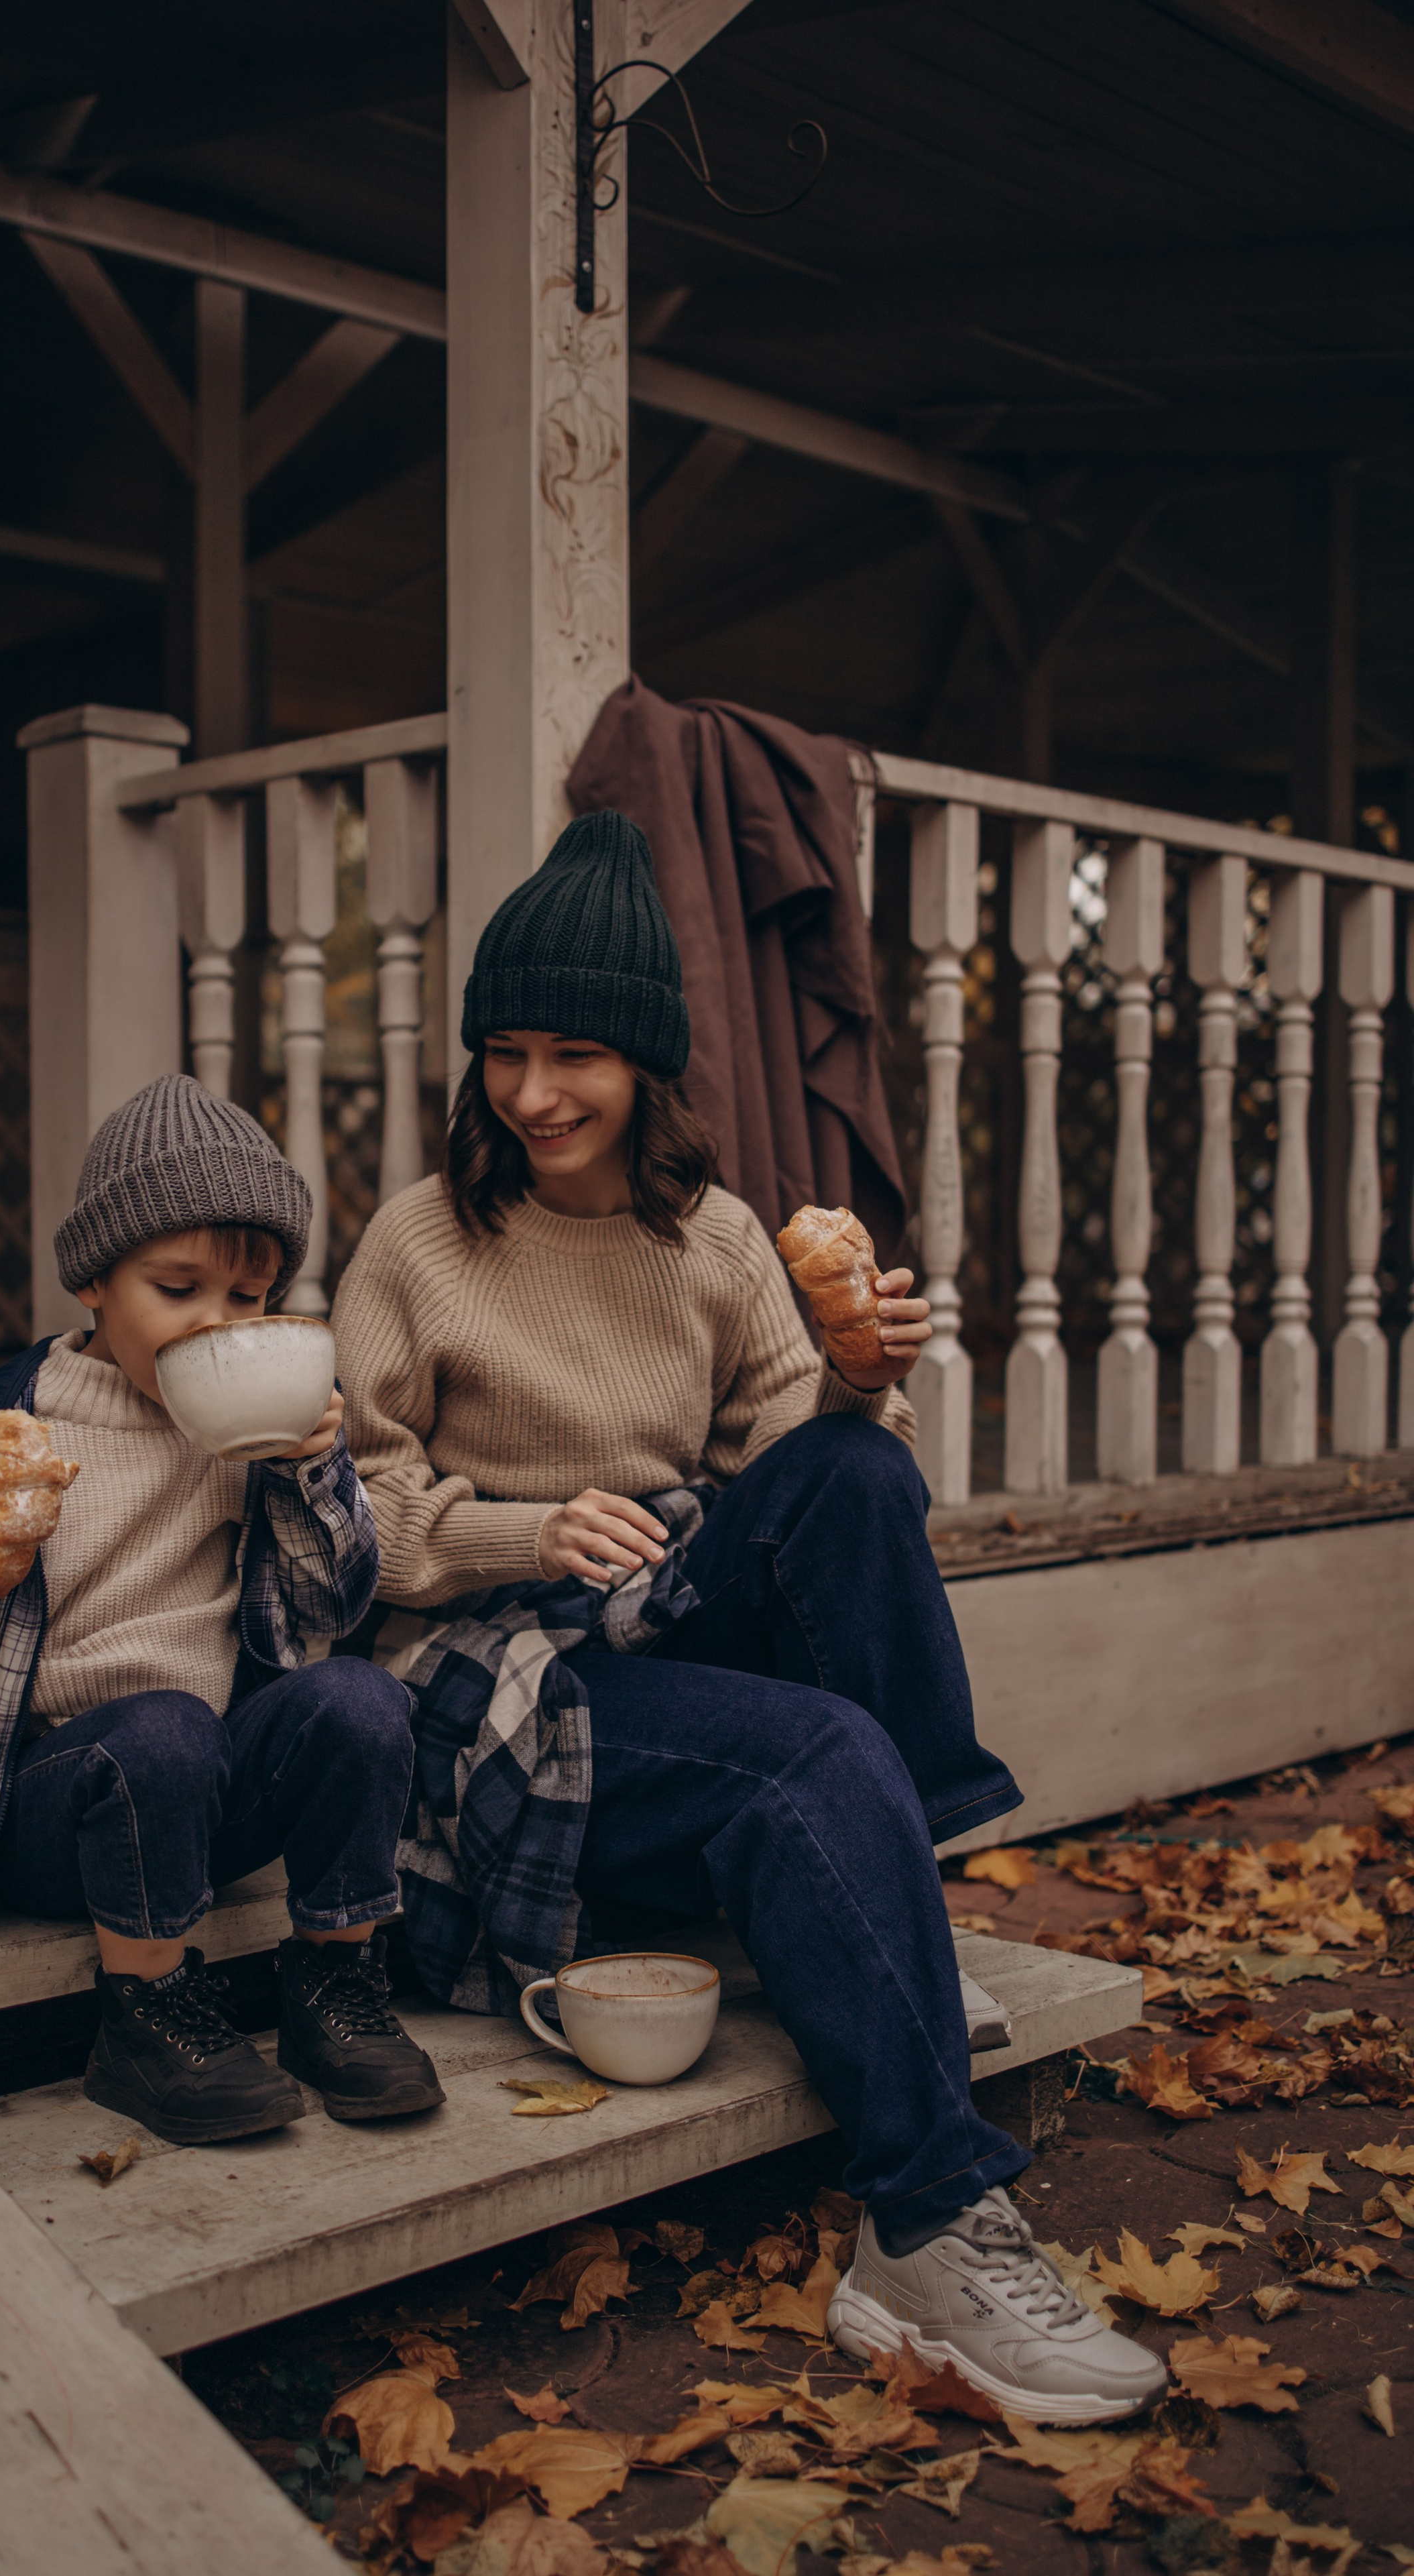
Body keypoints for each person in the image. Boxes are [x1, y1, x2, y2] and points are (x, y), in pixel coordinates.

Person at [330, 811, 1165, 2424]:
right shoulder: (419, 1240)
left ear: (647, 1064)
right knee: (804, 1761)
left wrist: (858, 1374)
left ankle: (896, 1902)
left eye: (574, 1053)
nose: (532, 1093)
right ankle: (923, 2230)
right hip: (485, 1681)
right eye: (503, 1052)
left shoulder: (712, 1238)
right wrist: (516, 1525)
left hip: (659, 1616)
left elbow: (822, 1494)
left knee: (852, 1470)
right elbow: (344, 1516)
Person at [0, 1074, 443, 2143]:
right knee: (162, 1726)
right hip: (50, 1806)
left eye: (249, 1301)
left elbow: (333, 1606)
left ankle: (336, 1986)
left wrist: (318, 1476)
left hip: (202, 1795)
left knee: (360, 1698)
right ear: (95, 1285)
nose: (220, 1325)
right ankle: (146, 2014)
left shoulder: (250, 1444)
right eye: (178, 1289)